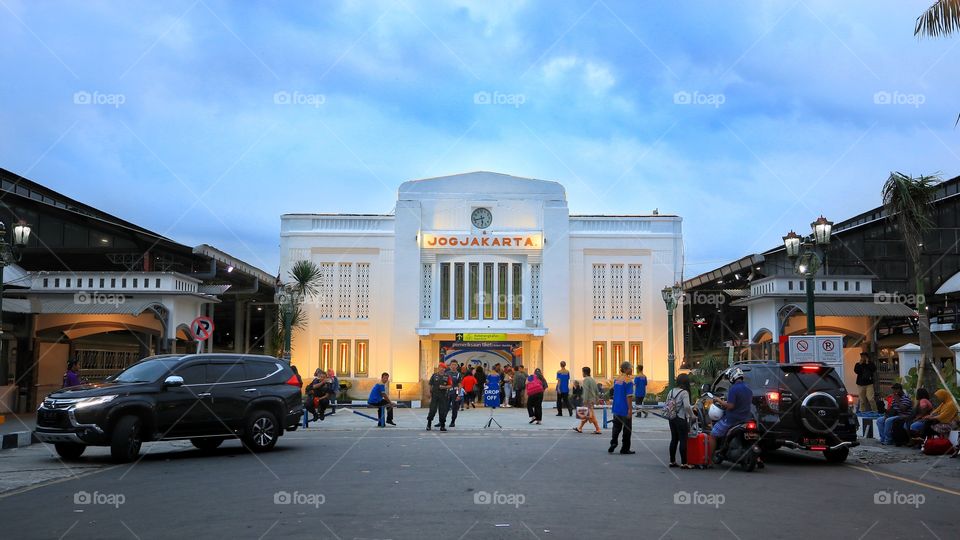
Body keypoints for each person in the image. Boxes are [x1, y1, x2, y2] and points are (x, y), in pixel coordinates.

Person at [709, 367, 753, 460]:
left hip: (732, 419)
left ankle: (708, 460)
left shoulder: (734, 389)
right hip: (746, 418)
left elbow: (730, 406)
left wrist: (719, 400)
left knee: (713, 434)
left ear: (733, 377)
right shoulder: (748, 388)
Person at [667, 373, 696, 469]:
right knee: (683, 440)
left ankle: (672, 461)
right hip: (681, 418)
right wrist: (692, 415)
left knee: (674, 439)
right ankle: (684, 463)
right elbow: (687, 406)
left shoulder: (671, 391)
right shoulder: (684, 393)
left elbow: (667, 404)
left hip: (672, 418)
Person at [608, 361, 635, 455]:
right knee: (627, 429)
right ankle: (625, 448)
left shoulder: (617, 379)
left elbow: (615, 393)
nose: (632, 369)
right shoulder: (628, 381)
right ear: (626, 369)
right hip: (624, 408)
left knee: (616, 427)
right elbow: (629, 396)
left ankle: (614, 442)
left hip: (616, 407)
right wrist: (630, 409)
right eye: (631, 368)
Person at [575, 366, 602, 434]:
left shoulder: (586, 380)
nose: (582, 374)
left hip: (588, 400)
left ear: (584, 372)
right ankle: (580, 428)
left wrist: (585, 400)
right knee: (587, 414)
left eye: (582, 372)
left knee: (590, 415)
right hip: (592, 399)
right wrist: (597, 398)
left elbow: (586, 391)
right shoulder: (592, 379)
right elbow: (596, 390)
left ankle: (598, 429)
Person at [426, 363, 451, 431]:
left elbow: (450, 385)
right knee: (432, 410)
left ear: (444, 369)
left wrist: (444, 387)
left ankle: (442, 426)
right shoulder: (434, 376)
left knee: (442, 411)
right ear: (438, 368)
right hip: (434, 395)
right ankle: (429, 424)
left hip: (443, 396)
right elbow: (430, 384)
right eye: (440, 367)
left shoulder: (447, 376)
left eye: (443, 368)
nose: (441, 369)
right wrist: (429, 392)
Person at [445, 360, 464, 428]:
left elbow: (460, 385)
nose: (453, 366)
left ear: (457, 366)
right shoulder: (446, 373)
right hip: (447, 393)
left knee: (454, 408)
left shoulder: (458, 374)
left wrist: (459, 394)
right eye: (452, 364)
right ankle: (442, 421)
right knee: (445, 408)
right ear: (450, 365)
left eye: (455, 365)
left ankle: (453, 422)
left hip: (455, 393)